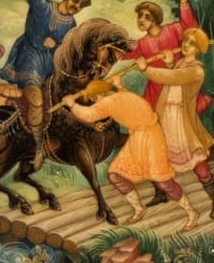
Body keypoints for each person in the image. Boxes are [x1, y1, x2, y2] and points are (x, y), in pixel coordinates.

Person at [67, 75, 197, 229]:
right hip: (138, 138)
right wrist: (119, 85)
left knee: (163, 180)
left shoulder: (109, 102)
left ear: (96, 96)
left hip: (152, 138)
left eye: (93, 99)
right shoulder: (121, 95)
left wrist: (72, 105)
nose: (95, 102)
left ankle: (191, 213)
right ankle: (139, 208)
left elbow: (89, 115)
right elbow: (128, 103)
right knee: (116, 175)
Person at [0, 0, 97, 136]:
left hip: (51, 68)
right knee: (36, 101)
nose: (76, 6)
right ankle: (37, 142)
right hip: (30, 59)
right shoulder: (44, 7)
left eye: (81, 5)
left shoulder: (72, 25)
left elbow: (67, 50)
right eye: (75, 0)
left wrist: (58, 46)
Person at [142, 27, 214, 217]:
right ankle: (161, 193)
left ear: (199, 49)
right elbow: (173, 77)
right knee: (156, 155)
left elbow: (172, 78)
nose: (186, 45)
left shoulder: (197, 70)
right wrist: (170, 63)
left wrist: (146, 69)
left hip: (182, 121)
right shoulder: (180, 64)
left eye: (192, 43)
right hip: (167, 117)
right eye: (186, 41)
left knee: (198, 165)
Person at [128, 0, 206, 109]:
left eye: (147, 17)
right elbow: (124, 54)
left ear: (155, 20)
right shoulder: (141, 44)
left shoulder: (173, 30)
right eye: (140, 16)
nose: (141, 20)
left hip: (177, 86)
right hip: (155, 92)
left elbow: (191, 28)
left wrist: (184, 3)